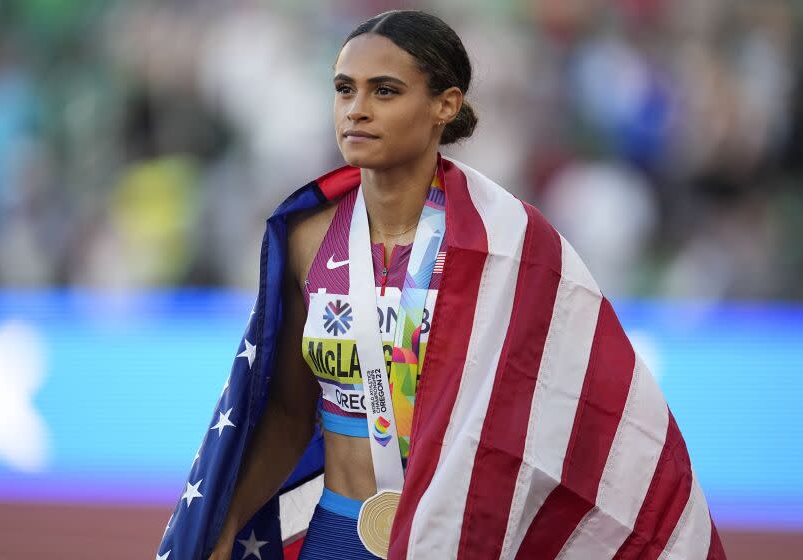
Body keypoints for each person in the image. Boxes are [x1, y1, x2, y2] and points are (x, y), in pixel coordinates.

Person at [158, 10, 726, 560]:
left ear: (444, 105)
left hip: (453, 540)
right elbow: (285, 410)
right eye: (343, 89)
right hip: (335, 535)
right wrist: (225, 522)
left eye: (384, 91)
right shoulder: (307, 237)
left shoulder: (508, 244)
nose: (356, 110)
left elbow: (574, 407)